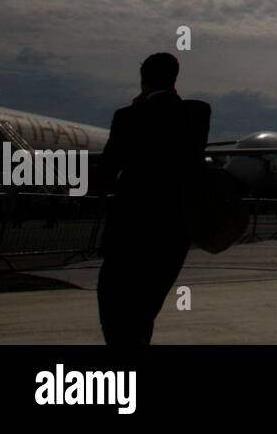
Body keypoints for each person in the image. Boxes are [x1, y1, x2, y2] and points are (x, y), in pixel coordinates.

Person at [96, 53, 209, 346]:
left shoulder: (127, 117)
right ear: (174, 80)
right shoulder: (196, 115)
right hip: (173, 232)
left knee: (115, 308)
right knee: (144, 311)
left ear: (143, 78)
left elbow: (108, 170)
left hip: (129, 230)